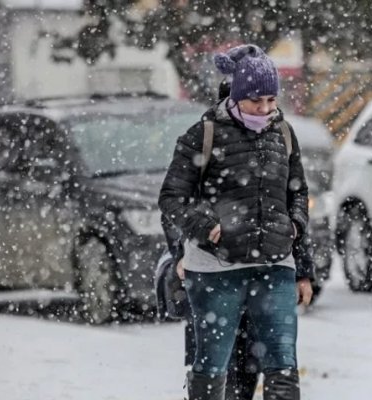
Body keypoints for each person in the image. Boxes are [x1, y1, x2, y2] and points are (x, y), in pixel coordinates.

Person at [158, 44, 311, 400]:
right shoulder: (205, 134)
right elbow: (172, 198)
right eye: (256, 101)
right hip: (215, 270)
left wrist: (298, 243)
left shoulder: (283, 133)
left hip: (274, 266)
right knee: (214, 365)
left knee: (282, 363)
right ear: (238, 96)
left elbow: (297, 195)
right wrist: (203, 227)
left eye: (271, 100)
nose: (265, 109)